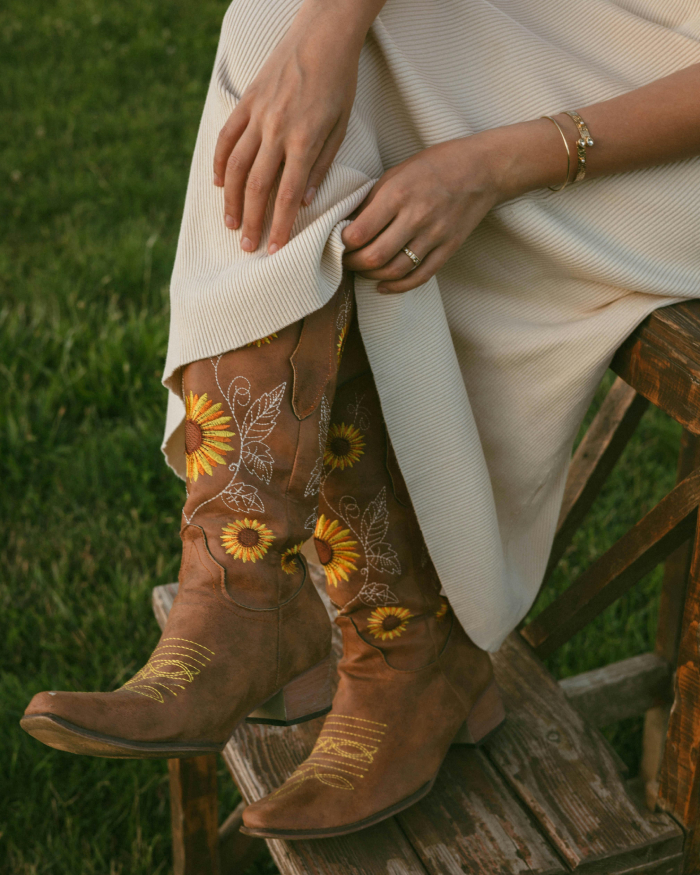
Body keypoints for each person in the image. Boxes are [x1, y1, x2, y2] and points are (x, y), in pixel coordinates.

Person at [20, 0, 700, 840]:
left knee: (344, 129)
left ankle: (396, 647)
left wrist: (494, 163)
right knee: (278, 22)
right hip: (590, 32)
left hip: (674, 133)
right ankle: (259, 598)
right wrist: (328, 28)